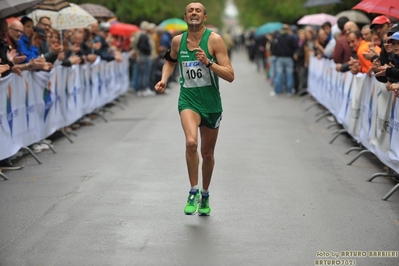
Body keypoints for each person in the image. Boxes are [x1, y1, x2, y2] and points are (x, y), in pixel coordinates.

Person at [154, 2, 234, 216]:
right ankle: (193, 190)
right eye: (190, 10)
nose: (194, 13)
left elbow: (230, 75)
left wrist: (208, 63)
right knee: (191, 143)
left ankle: (205, 195)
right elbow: (170, 61)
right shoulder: (177, 41)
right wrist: (163, 79)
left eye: (198, 10)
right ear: (185, 16)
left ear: (204, 17)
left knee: (207, 153)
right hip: (188, 100)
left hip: (211, 104)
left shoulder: (215, 40)